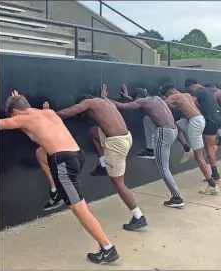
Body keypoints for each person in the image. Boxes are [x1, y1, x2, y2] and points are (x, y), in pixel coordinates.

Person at [0, 90, 119, 264]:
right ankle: (56, 190)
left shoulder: (22, 118)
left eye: (12, 114)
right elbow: (30, 116)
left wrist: (13, 112)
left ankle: (108, 248)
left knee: (81, 211)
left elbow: (1, 124)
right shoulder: (47, 113)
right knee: (41, 152)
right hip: (77, 155)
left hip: (63, 163)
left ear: (15, 112)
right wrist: (16, 100)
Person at [44, 87, 148, 231]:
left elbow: (66, 113)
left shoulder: (89, 103)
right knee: (93, 131)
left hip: (116, 143)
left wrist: (46, 114)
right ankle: (103, 163)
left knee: (118, 184)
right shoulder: (104, 102)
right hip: (125, 136)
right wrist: (104, 95)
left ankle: (138, 216)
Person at [103, 85, 184, 208]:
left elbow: (124, 106)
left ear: (139, 97)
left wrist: (105, 98)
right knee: (147, 119)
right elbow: (139, 102)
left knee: (163, 168)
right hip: (173, 131)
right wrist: (127, 96)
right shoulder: (156, 98)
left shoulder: (143, 101)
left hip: (164, 133)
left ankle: (176, 197)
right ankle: (151, 150)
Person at [159, 82, 220, 195]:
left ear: (170, 92)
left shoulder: (174, 96)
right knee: (176, 124)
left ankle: (212, 186)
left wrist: (151, 99)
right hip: (199, 119)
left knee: (198, 156)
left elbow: (162, 104)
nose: (168, 97)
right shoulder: (186, 95)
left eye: (167, 95)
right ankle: (186, 148)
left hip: (194, 122)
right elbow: (183, 105)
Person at [184, 78, 221, 184]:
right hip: (218, 117)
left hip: (209, 119)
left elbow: (189, 103)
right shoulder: (208, 90)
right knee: (210, 147)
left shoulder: (198, 91)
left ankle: (215, 175)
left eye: (190, 89)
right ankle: (215, 174)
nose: (191, 91)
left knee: (207, 148)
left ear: (192, 86)